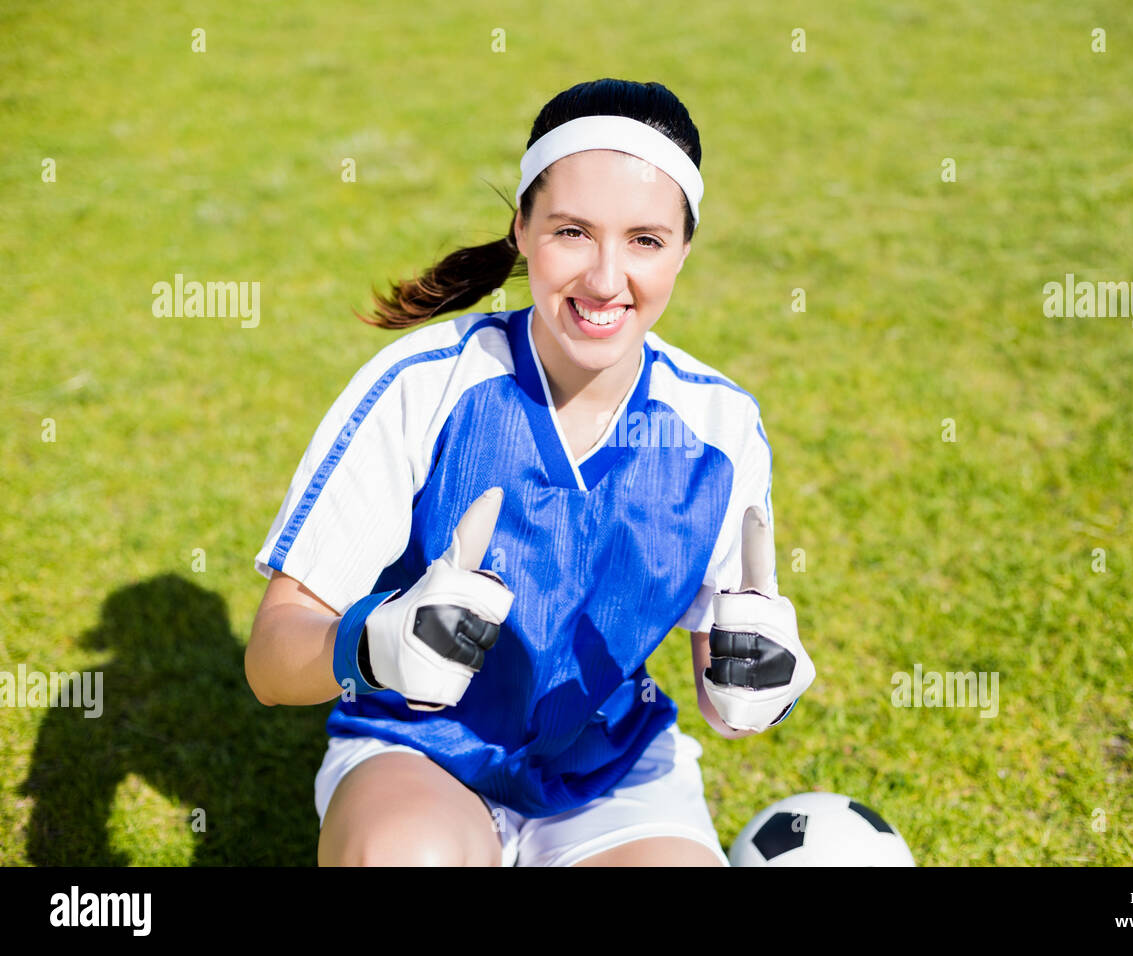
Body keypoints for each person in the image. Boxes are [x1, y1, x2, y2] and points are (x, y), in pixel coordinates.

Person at [244, 77, 815, 867]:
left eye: (645, 240)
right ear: (521, 228)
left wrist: (756, 686)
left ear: (685, 247)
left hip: (610, 776)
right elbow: (273, 660)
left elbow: (725, 699)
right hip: (420, 751)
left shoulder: (720, 428)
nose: (606, 280)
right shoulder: (424, 384)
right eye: (572, 232)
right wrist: (373, 643)